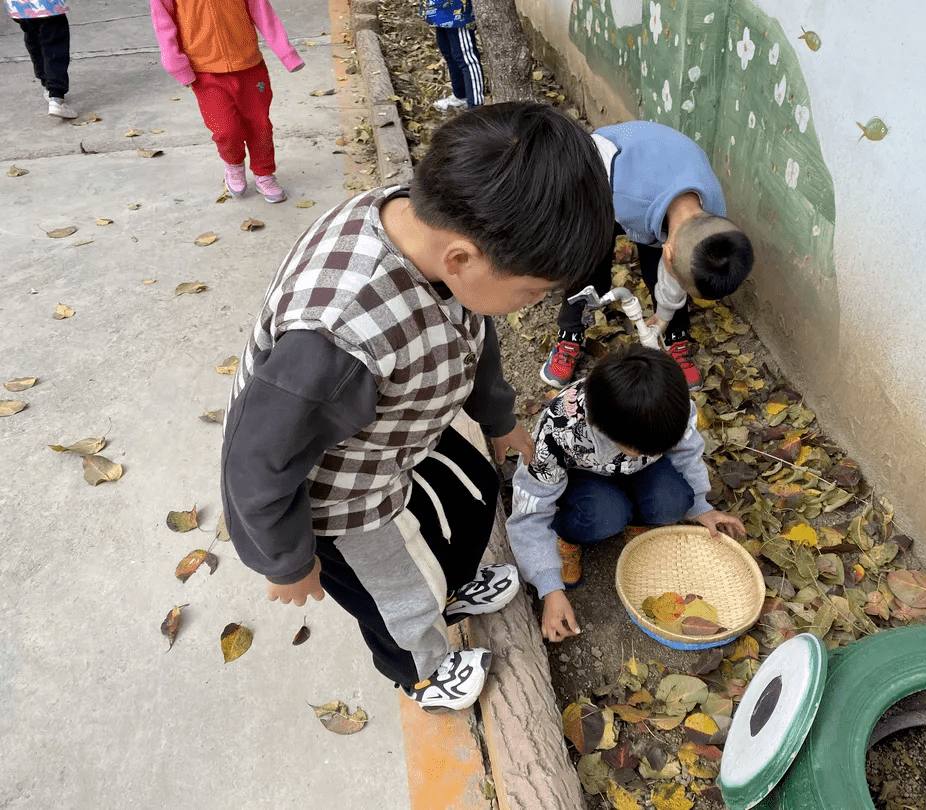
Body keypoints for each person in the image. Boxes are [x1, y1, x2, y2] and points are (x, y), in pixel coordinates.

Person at [220, 103, 614, 712]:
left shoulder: (433, 231)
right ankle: (424, 670)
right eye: (533, 291)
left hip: (398, 427)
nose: (534, 304)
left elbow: (475, 324)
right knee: (393, 595)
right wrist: (285, 560)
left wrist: (500, 420)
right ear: (462, 258)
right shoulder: (336, 339)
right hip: (337, 491)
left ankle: (448, 587)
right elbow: (256, 457)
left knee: (473, 490)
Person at [508, 344, 746, 643]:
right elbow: (530, 511)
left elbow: (687, 452)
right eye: (642, 449)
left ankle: (636, 516)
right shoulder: (560, 432)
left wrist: (701, 506)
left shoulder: (669, 405)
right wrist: (549, 588)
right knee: (604, 514)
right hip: (584, 479)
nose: (655, 451)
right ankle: (568, 535)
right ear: (597, 425)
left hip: (638, 468)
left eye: (659, 447)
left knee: (674, 501)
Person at [541, 120, 755, 391]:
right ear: (668, 250)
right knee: (590, 265)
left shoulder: (713, 216)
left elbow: (674, 267)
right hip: (600, 183)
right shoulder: (625, 196)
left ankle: (676, 337)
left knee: (659, 273)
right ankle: (569, 335)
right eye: (681, 283)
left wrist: (664, 315)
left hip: (656, 189)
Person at [150, 0, 304, 203]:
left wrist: (286, 54)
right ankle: (233, 164)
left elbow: (263, 12)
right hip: (205, 73)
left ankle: (264, 174)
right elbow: (164, 25)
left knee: (260, 125)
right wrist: (177, 66)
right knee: (225, 130)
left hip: (249, 66)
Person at [6, 0, 77, 119]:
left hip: (19, 6)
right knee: (55, 44)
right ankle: (56, 95)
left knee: (34, 38)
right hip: (48, 5)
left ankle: (46, 83)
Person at [421, 0, 484, 111]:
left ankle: (476, 108)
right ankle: (461, 96)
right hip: (437, 8)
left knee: (466, 58)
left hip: (456, 11)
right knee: (449, 53)